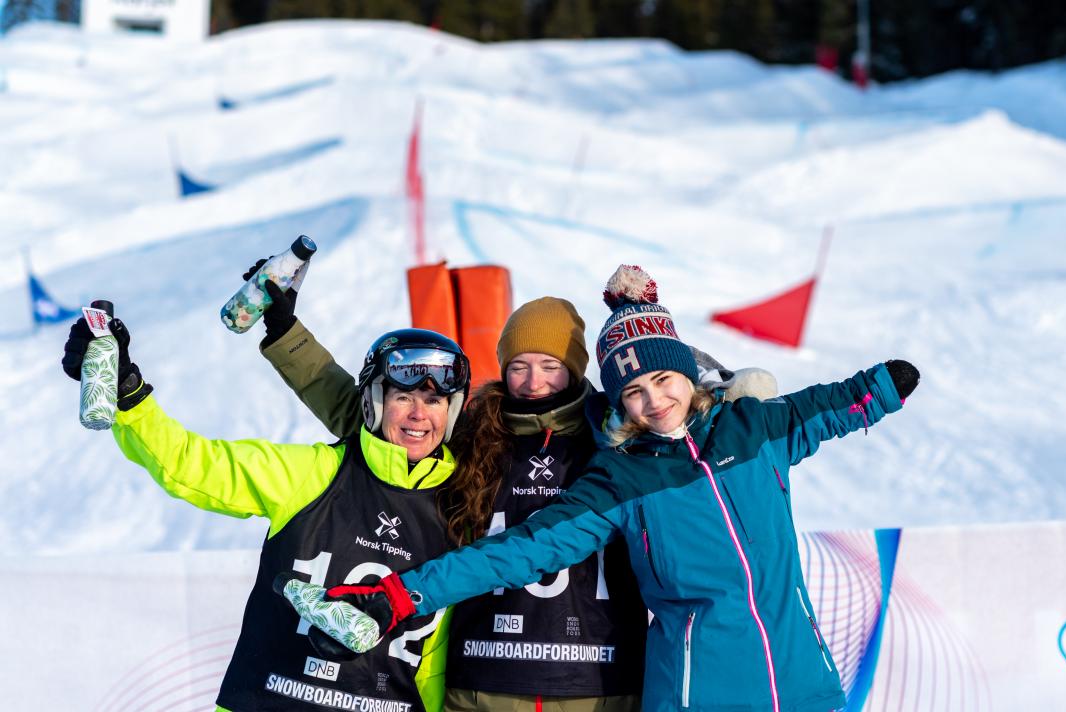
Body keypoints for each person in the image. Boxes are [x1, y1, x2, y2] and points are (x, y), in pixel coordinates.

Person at [286, 264, 922, 712]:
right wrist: (402, 594)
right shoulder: (622, 479)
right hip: (697, 695)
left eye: (663, 381)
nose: (654, 401)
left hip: (808, 688)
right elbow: (520, 551)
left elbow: (829, 407)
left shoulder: (754, 431)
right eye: (633, 392)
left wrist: (881, 388)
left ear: (687, 374)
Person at [61, 316, 472, 712]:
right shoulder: (312, 473)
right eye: (403, 397)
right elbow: (189, 464)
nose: (419, 415)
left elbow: (433, 662)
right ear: (375, 403)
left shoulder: (462, 511)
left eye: (434, 400)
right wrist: (127, 393)